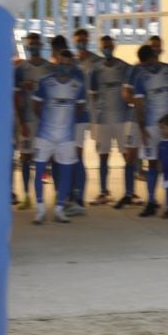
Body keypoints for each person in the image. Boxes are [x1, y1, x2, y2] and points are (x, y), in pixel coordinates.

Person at [31, 50, 86, 224]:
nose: (64, 66)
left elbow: (80, 108)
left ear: (72, 65)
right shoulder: (45, 82)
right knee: (39, 172)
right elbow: (36, 106)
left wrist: (66, 121)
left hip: (66, 139)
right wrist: (49, 121)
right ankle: (40, 209)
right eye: (62, 63)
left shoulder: (78, 85)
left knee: (66, 174)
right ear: (56, 63)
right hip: (44, 136)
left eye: (68, 64)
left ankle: (59, 209)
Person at [132, 44, 168, 217]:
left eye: (148, 62)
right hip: (151, 126)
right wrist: (142, 128)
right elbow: (139, 105)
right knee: (152, 163)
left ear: (154, 56)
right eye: (144, 64)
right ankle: (151, 201)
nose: (147, 66)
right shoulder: (141, 77)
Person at [89, 36, 138, 206]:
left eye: (109, 46)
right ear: (100, 48)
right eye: (104, 47)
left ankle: (131, 192)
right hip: (103, 120)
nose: (107, 49)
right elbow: (93, 95)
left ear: (114, 46)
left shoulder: (124, 67)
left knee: (128, 156)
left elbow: (131, 90)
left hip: (122, 119)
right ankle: (103, 192)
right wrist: (97, 115)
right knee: (103, 156)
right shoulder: (95, 69)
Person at [14, 33, 53, 209]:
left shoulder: (49, 68)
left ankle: (48, 195)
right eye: (31, 44)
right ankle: (26, 196)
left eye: (37, 44)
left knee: (46, 158)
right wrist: (21, 122)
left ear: (42, 45)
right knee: (25, 157)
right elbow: (16, 97)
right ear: (27, 47)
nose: (34, 47)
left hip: (45, 121)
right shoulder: (21, 69)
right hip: (28, 120)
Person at [71, 28, 99, 210]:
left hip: (86, 114)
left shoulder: (96, 61)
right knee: (72, 155)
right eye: (78, 39)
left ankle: (80, 196)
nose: (81, 42)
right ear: (73, 41)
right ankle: (73, 194)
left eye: (84, 39)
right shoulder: (71, 62)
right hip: (71, 115)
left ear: (88, 40)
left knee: (79, 154)